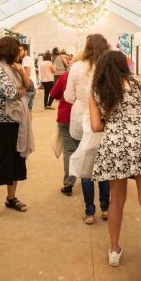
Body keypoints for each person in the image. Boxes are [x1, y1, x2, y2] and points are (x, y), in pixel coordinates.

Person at [89, 50, 141, 279]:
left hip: (114, 144)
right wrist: (136, 117)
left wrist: (115, 122)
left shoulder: (97, 89)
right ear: (124, 65)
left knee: (116, 200)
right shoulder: (139, 82)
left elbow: (95, 126)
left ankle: (114, 251)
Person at [0, 36, 35, 220]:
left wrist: (22, 74)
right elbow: (12, 93)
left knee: (16, 159)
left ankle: (11, 197)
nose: (20, 53)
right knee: (0, 160)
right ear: (9, 50)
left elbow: (31, 88)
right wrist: (23, 89)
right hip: (0, 122)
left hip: (17, 120)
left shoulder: (15, 67)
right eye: (18, 50)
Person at [65, 34, 111, 225]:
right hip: (102, 121)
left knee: (86, 169)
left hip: (80, 118)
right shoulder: (108, 67)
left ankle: (89, 212)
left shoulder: (76, 67)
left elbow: (68, 97)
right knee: (104, 165)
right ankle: (106, 208)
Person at [49, 51, 82, 195]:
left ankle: (69, 184)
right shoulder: (92, 76)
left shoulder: (65, 76)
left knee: (69, 150)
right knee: (87, 149)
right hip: (86, 119)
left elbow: (53, 94)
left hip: (66, 117)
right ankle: (88, 179)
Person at [19, 44, 36, 111]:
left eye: (21, 50)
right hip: (31, 86)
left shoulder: (26, 59)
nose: (19, 52)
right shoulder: (27, 59)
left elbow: (27, 75)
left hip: (28, 87)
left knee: (25, 110)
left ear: (25, 51)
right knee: (28, 110)